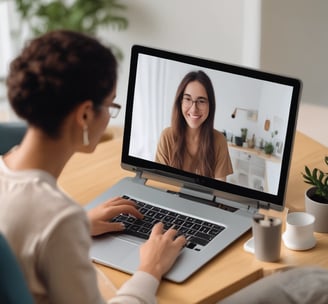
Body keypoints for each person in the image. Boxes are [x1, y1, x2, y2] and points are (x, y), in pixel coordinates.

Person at [0, 30, 186, 303]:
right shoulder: (59, 219)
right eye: (111, 104)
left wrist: (78, 226)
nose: (111, 115)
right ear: (85, 114)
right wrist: (150, 268)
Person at [155, 70, 233, 181]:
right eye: (187, 99)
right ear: (180, 102)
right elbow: (160, 183)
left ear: (210, 105)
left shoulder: (219, 140)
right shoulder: (167, 136)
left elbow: (218, 191)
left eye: (201, 101)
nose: (193, 109)